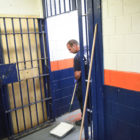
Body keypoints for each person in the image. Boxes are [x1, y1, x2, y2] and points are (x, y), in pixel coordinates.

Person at [67, 39, 88, 125]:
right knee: (88, 102)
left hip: (82, 83)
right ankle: (89, 118)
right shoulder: (86, 52)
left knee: (82, 101)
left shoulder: (77, 57)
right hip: (89, 82)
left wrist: (76, 78)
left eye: (70, 49)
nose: (69, 51)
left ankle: (85, 121)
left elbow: (77, 74)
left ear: (75, 45)